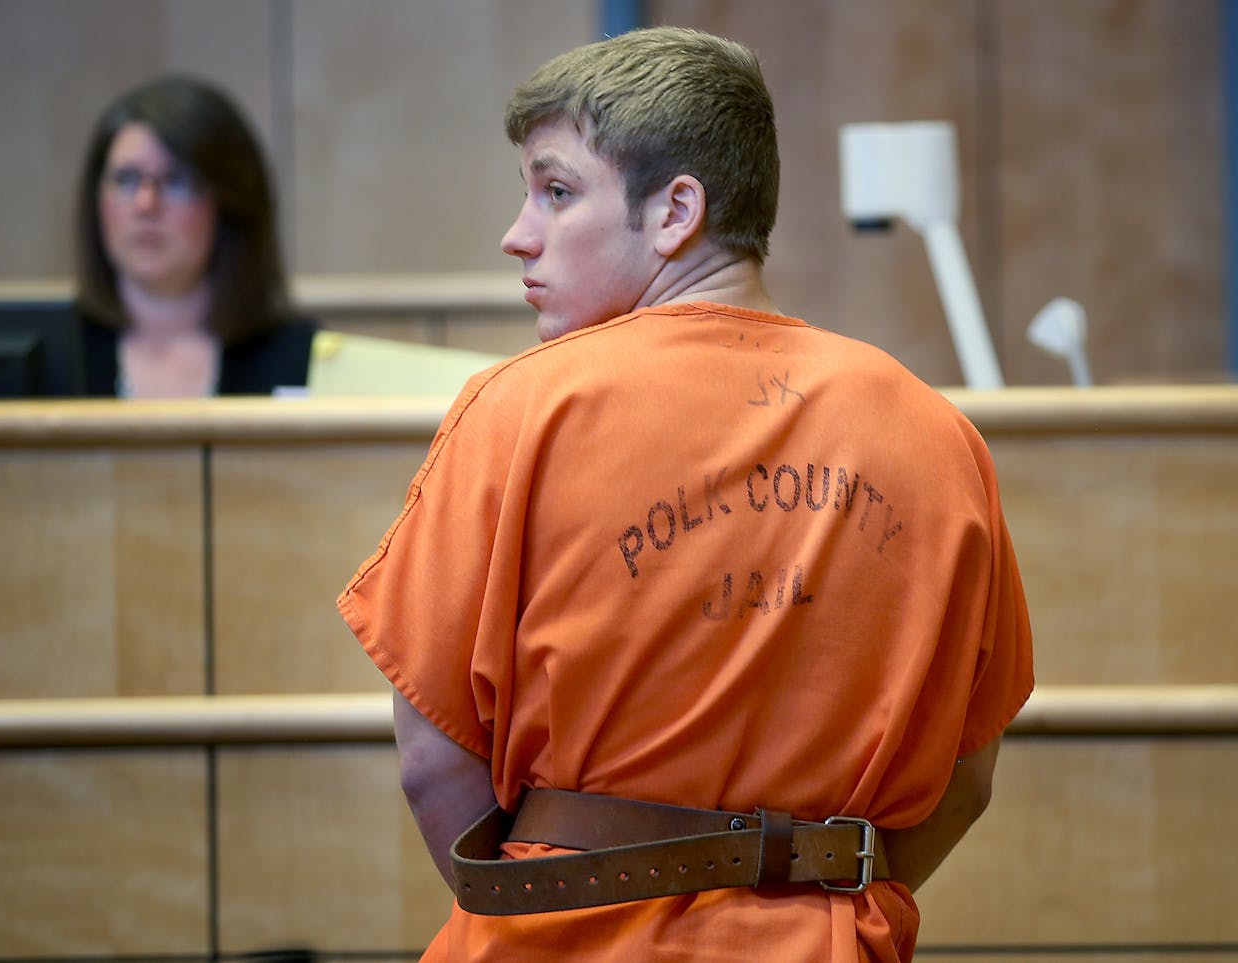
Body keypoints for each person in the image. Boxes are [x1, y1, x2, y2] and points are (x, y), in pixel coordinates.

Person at [338, 26, 1032, 963]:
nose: (518, 234)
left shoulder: (517, 409)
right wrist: (810, 899)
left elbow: (432, 765)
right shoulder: (935, 433)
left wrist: (548, 903)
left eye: (556, 190)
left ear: (675, 212)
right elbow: (969, 772)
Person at [73, 74, 316, 397]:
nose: (146, 204)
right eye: (126, 179)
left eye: (176, 181)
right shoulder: (57, 352)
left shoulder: (301, 358)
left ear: (231, 203)